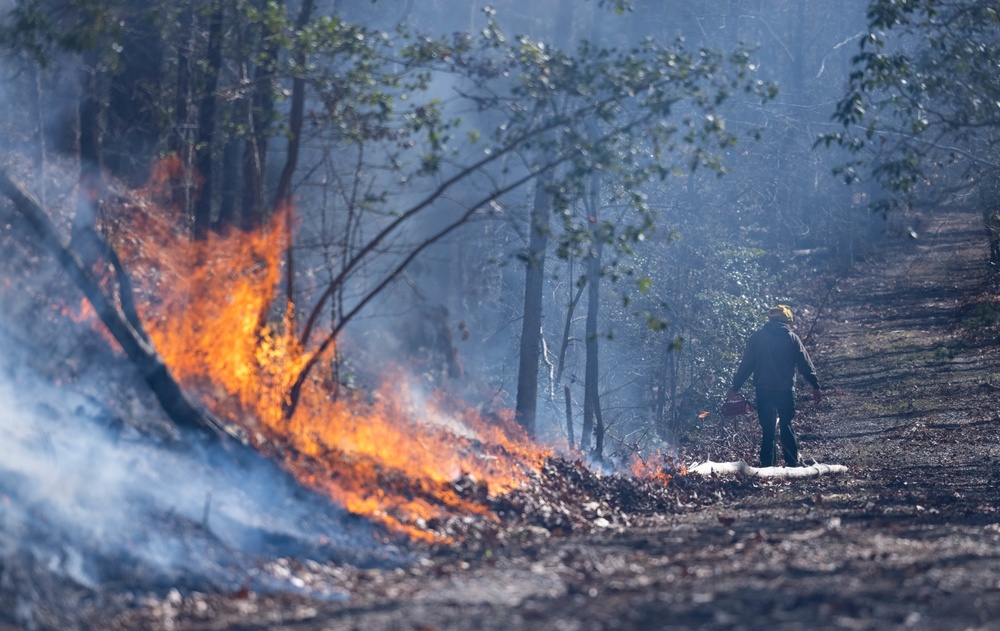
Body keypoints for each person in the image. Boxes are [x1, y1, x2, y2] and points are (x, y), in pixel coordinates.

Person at [728, 305, 822, 467]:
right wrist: (815, 385)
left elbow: (746, 366)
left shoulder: (757, 338)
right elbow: (804, 365)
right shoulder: (792, 338)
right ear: (787, 321)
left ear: (770, 319)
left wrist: (734, 387)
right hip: (786, 391)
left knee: (768, 430)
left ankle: (767, 467)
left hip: (763, 390)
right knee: (786, 424)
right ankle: (792, 464)